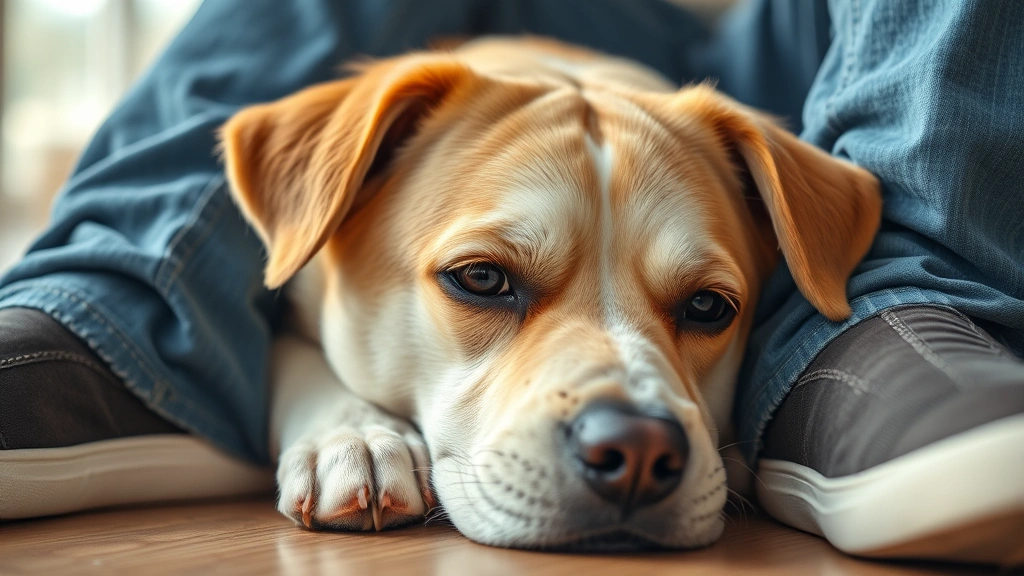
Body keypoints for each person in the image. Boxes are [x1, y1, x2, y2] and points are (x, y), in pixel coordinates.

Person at [1, 0, 1021, 561]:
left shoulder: (743, 154)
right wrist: (319, 406)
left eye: (701, 309)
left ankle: (899, 309)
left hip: (784, 53)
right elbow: (307, 290)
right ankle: (116, 303)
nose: (630, 425)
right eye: (489, 281)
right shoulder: (402, 154)